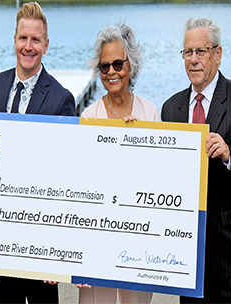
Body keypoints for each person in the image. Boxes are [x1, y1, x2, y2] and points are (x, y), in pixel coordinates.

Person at [161, 17, 231, 303]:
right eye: (188, 52)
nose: (193, 59)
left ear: (218, 53)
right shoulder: (171, 108)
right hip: (187, 256)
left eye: (201, 51)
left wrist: (229, 154)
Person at [0, 1, 76, 304]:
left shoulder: (61, 99)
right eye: (23, 38)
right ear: (14, 40)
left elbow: (67, 175)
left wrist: (58, 248)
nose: (28, 46)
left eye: (35, 39)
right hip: (0, 232)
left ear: (46, 45)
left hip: (40, 236)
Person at [79, 23, 159, 304]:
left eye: (117, 64)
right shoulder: (88, 117)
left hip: (138, 242)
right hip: (97, 240)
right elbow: (81, 187)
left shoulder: (150, 114)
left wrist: (138, 143)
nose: (111, 72)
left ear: (131, 65)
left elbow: (160, 180)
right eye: (104, 66)